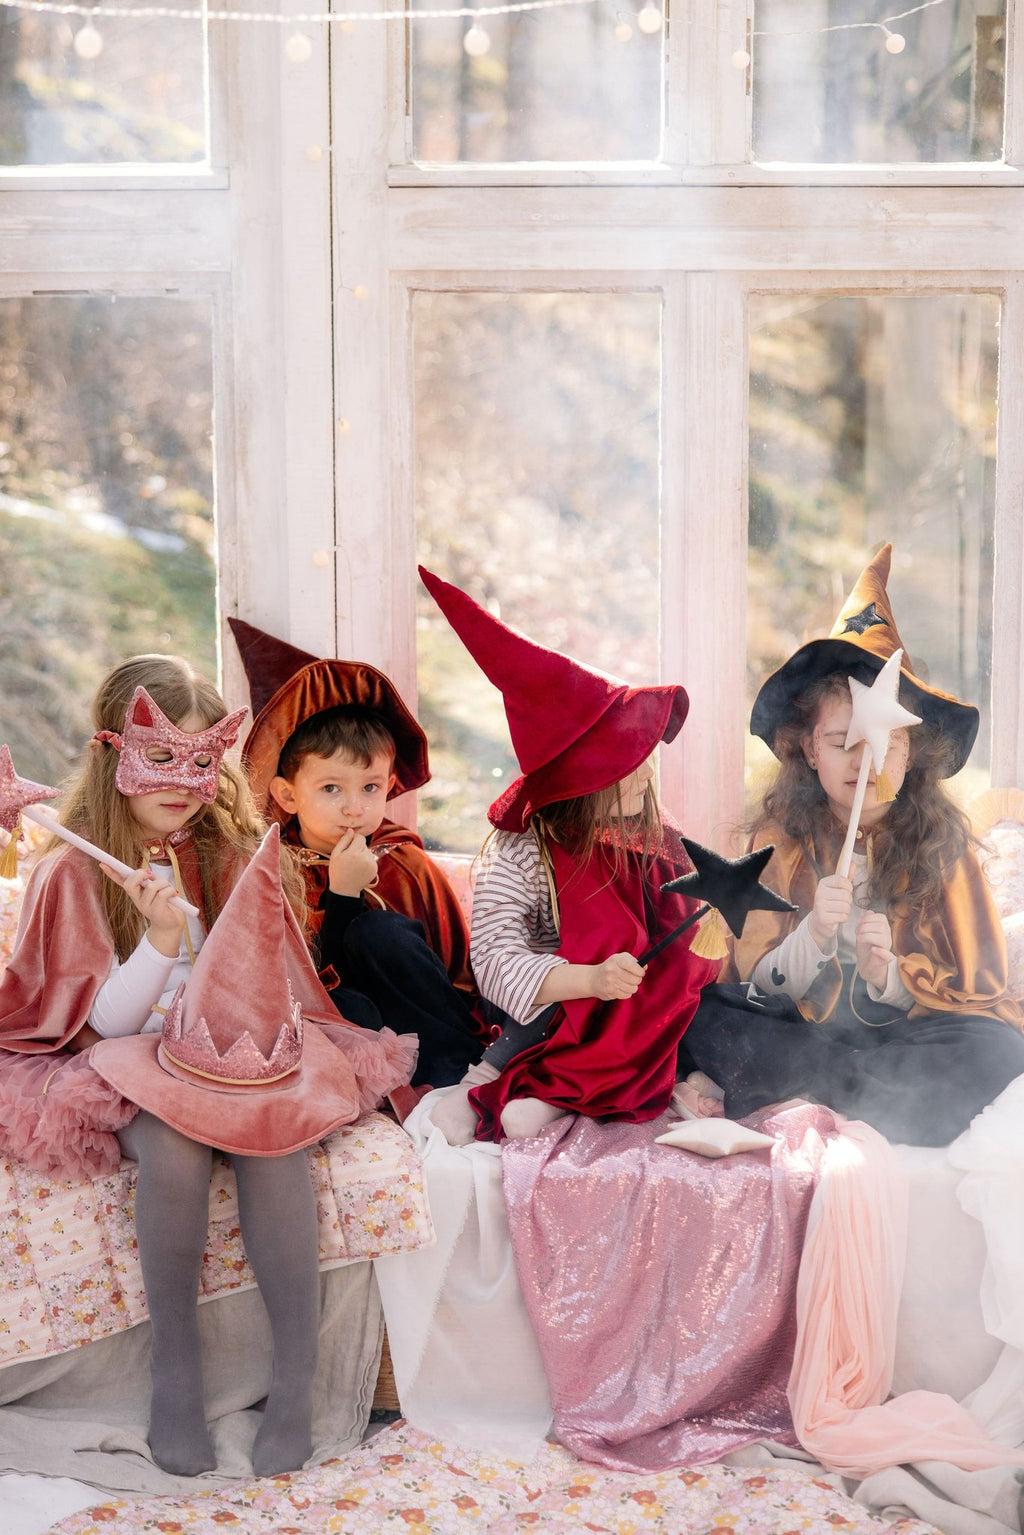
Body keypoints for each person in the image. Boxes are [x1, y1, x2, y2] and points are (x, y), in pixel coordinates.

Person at [0, 655, 414, 1478]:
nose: (180, 781)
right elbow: (98, 1024)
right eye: (160, 756)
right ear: (113, 751)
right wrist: (159, 942)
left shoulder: (228, 854)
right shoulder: (73, 870)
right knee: (174, 1146)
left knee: (275, 1140)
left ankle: (295, 1381)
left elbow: (269, 977)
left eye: (199, 761)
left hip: (229, 1054)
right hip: (128, 1056)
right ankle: (176, 1375)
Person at [680, 544, 1024, 1146]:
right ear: (809, 750)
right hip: (803, 1030)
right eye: (842, 743)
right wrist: (812, 936)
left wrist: (889, 974)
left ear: (911, 754)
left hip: (904, 1034)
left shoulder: (941, 844)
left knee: (996, 1048)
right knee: (704, 1018)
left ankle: (812, 1094)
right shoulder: (779, 840)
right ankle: (852, 1096)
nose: (866, 762)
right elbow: (756, 981)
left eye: (887, 745)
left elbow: (975, 988)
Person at [417, 567, 722, 1145]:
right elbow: (496, 958)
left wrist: (707, 927)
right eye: (623, 763)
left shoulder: (653, 834)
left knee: (696, 1006)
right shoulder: (522, 849)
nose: (644, 775)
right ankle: (503, 1083)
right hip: (555, 1014)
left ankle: (604, 1090)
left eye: (645, 757)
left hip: (642, 1011)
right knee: (529, 1038)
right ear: (576, 780)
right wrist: (589, 979)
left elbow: (687, 933)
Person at [229, 619, 487, 1088]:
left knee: (379, 931)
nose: (354, 807)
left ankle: (454, 1079)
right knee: (352, 1003)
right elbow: (302, 986)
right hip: (341, 1034)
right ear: (287, 795)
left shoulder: (404, 863)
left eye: (370, 788)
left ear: (389, 785)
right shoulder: (276, 871)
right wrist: (343, 895)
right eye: (331, 788)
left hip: (432, 1037)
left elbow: (454, 977)